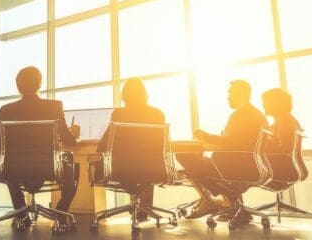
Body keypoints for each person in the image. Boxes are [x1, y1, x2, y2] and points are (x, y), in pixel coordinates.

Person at [177, 79, 267, 220]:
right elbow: (238, 141)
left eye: (230, 93)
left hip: (235, 165)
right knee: (196, 164)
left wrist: (206, 136)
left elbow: (229, 143)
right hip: (251, 164)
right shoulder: (258, 115)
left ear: (240, 94)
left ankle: (218, 198)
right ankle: (227, 202)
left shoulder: (240, 115)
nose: (227, 97)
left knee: (183, 156)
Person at [0, 66, 80, 215]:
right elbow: (69, 141)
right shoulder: (54, 106)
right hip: (48, 166)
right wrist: (74, 134)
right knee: (73, 166)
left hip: (14, 167)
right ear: (40, 84)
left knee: (10, 167)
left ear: (18, 86)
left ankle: (20, 211)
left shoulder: (5, 110)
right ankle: (60, 213)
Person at [97, 77, 165, 220]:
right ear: (144, 93)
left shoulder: (119, 114)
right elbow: (160, 146)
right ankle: (142, 207)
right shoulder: (157, 114)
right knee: (146, 163)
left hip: (123, 168)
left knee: (129, 165)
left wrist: (99, 153)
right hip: (152, 167)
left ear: (125, 94)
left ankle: (137, 203)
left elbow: (105, 143)